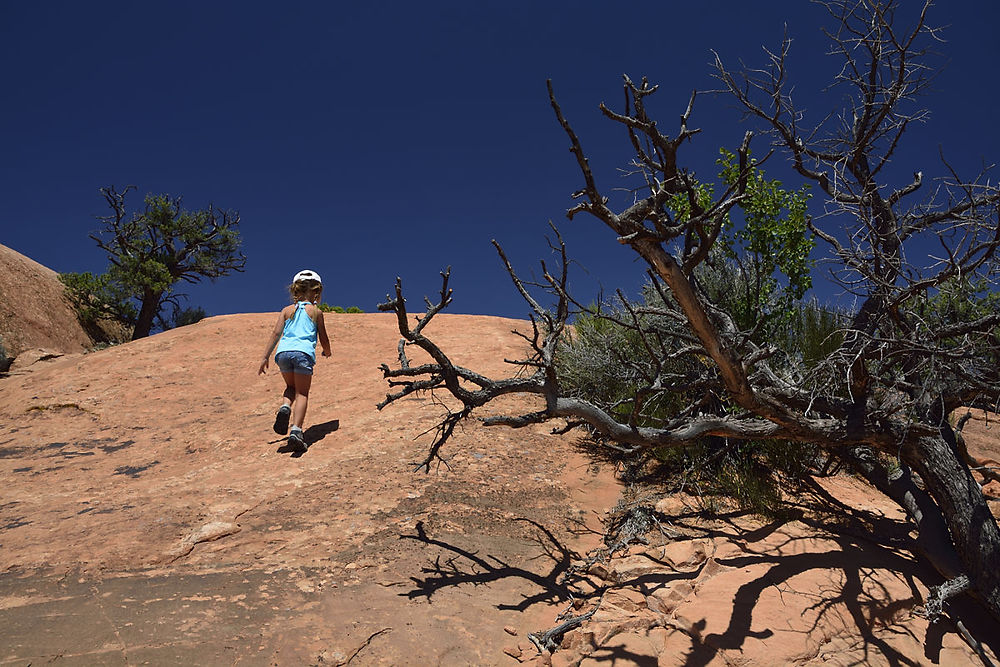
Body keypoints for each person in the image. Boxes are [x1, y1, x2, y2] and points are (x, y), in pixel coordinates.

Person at [258, 269, 332, 452]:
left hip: (283, 354)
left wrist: (264, 356)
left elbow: (276, 333)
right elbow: (323, 337)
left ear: (295, 291)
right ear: (316, 293)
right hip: (303, 354)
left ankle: (285, 407)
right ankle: (296, 431)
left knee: (290, 388)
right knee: (302, 393)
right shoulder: (316, 312)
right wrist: (327, 351)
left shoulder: (286, 310)